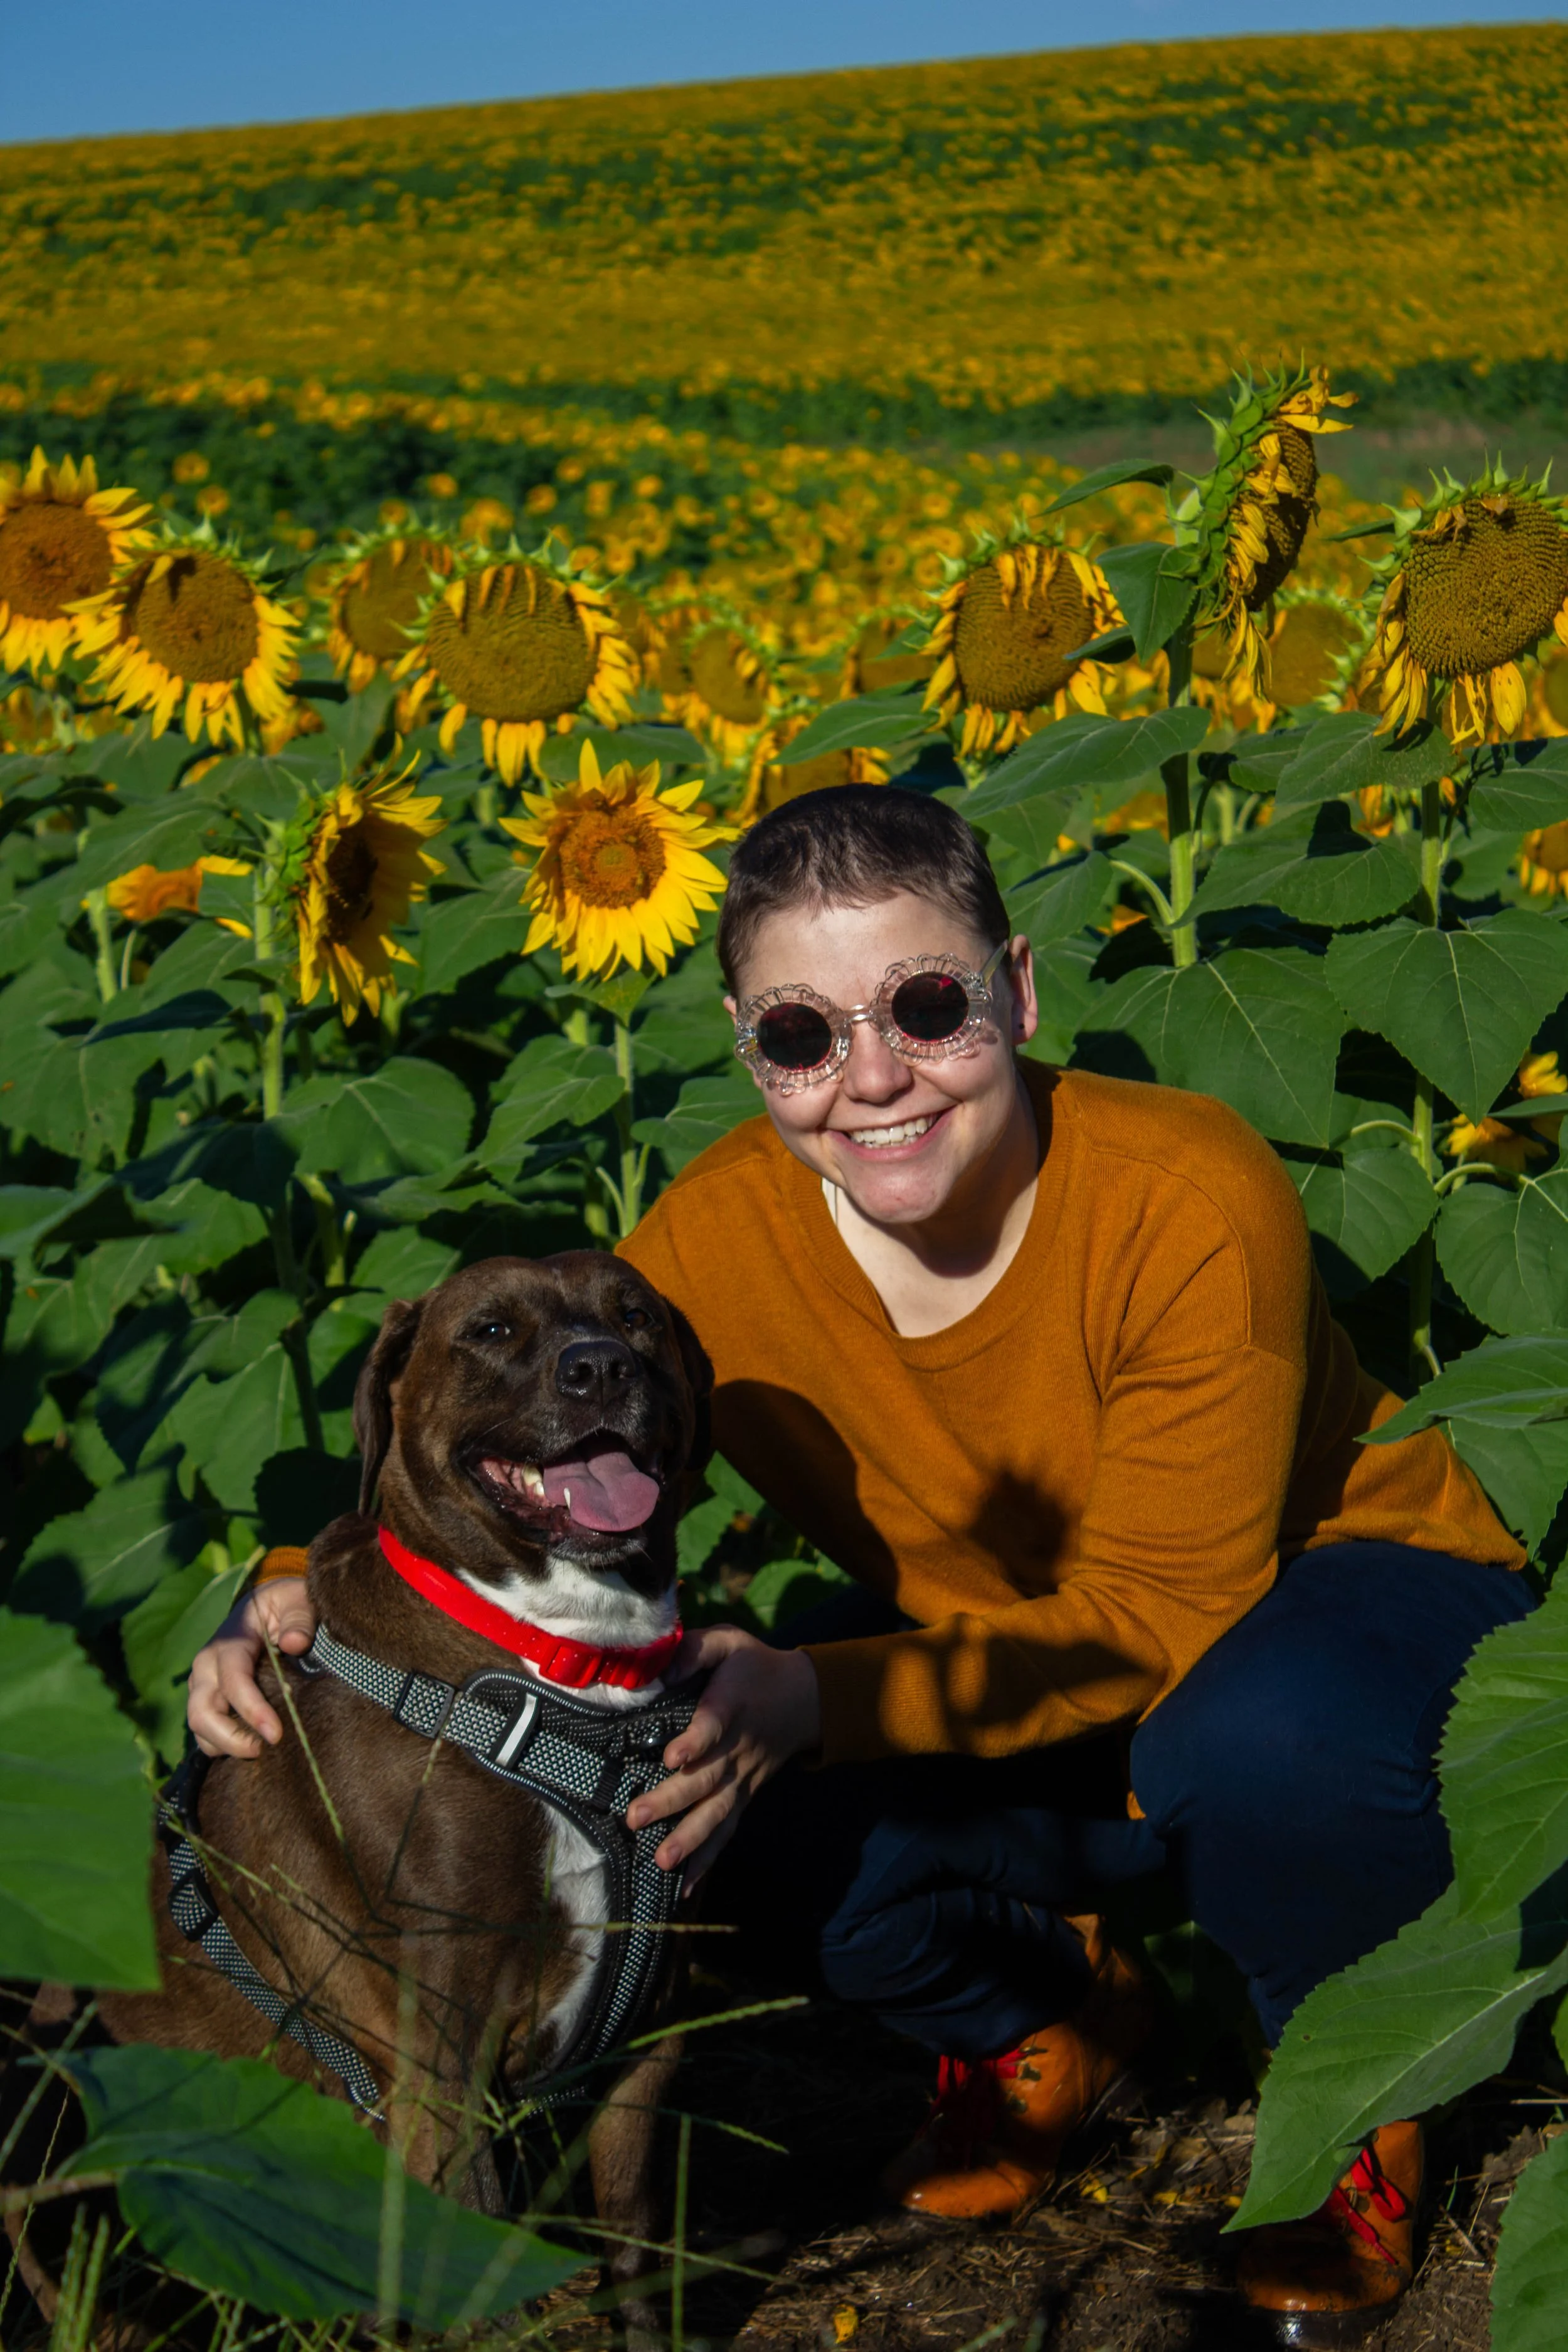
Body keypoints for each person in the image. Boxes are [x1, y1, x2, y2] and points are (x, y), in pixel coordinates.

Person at [190, 787, 1530, 2341]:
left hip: (1335, 1608)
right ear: (746, 1046)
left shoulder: (1181, 1191)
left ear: (1018, 991)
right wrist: (294, 1573)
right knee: (676, 1804)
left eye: (929, 1004)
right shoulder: (711, 1252)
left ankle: (1347, 2086)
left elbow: (1164, 1618)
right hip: (1015, 1651)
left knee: (1254, 1739)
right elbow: (475, 1407)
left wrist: (809, 1701)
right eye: (801, 1036)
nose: (872, 1078)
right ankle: (1042, 2020)